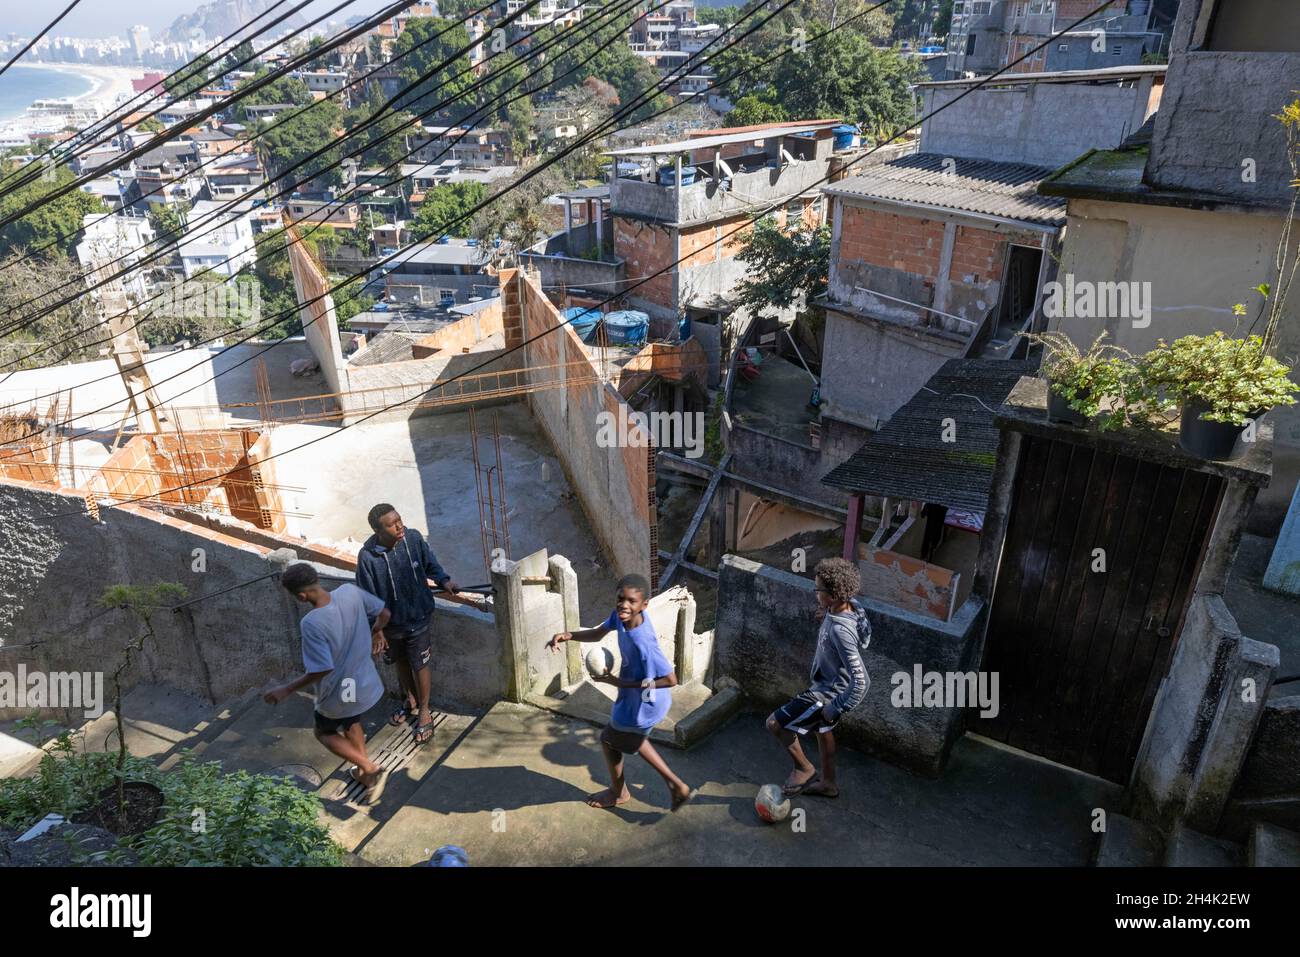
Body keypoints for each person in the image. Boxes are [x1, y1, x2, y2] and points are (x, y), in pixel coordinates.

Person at [546, 574, 694, 812]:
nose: (624, 605)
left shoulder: (643, 643)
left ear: (644, 605)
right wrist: (569, 635)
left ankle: (621, 793)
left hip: (646, 702)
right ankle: (674, 785)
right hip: (634, 698)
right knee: (631, 738)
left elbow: (670, 679)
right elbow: (597, 633)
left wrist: (621, 683)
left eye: (631, 601)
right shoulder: (620, 617)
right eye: (620, 598)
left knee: (609, 739)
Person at [264, 562, 390, 799]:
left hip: (337, 692)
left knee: (323, 732)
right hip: (363, 683)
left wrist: (287, 689)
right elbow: (384, 614)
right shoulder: (349, 591)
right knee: (351, 722)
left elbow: (321, 668)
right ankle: (364, 772)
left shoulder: (311, 623)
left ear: (301, 596)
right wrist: (377, 630)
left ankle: (371, 767)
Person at [766, 557, 871, 798]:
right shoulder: (850, 606)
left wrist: (835, 707)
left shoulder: (839, 630)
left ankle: (804, 768)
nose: (815, 593)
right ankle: (829, 783)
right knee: (823, 732)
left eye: (818, 590)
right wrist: (827, 613)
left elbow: (862, 680)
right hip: (832, 688)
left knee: (774, 724)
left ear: (833, 595)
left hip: (826, 694)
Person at [355, 504, 458, 745]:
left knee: (420, 663)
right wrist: (376, 630)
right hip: (391, 625)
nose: (399, 526)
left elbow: (430, 563)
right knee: (399, 661)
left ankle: (424, 711)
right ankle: (410, 700)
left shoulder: (412, 539)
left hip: (419, 617)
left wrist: (444, 580)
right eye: (392, 524)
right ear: (378, 531)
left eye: (399, 520)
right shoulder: (368, 557)